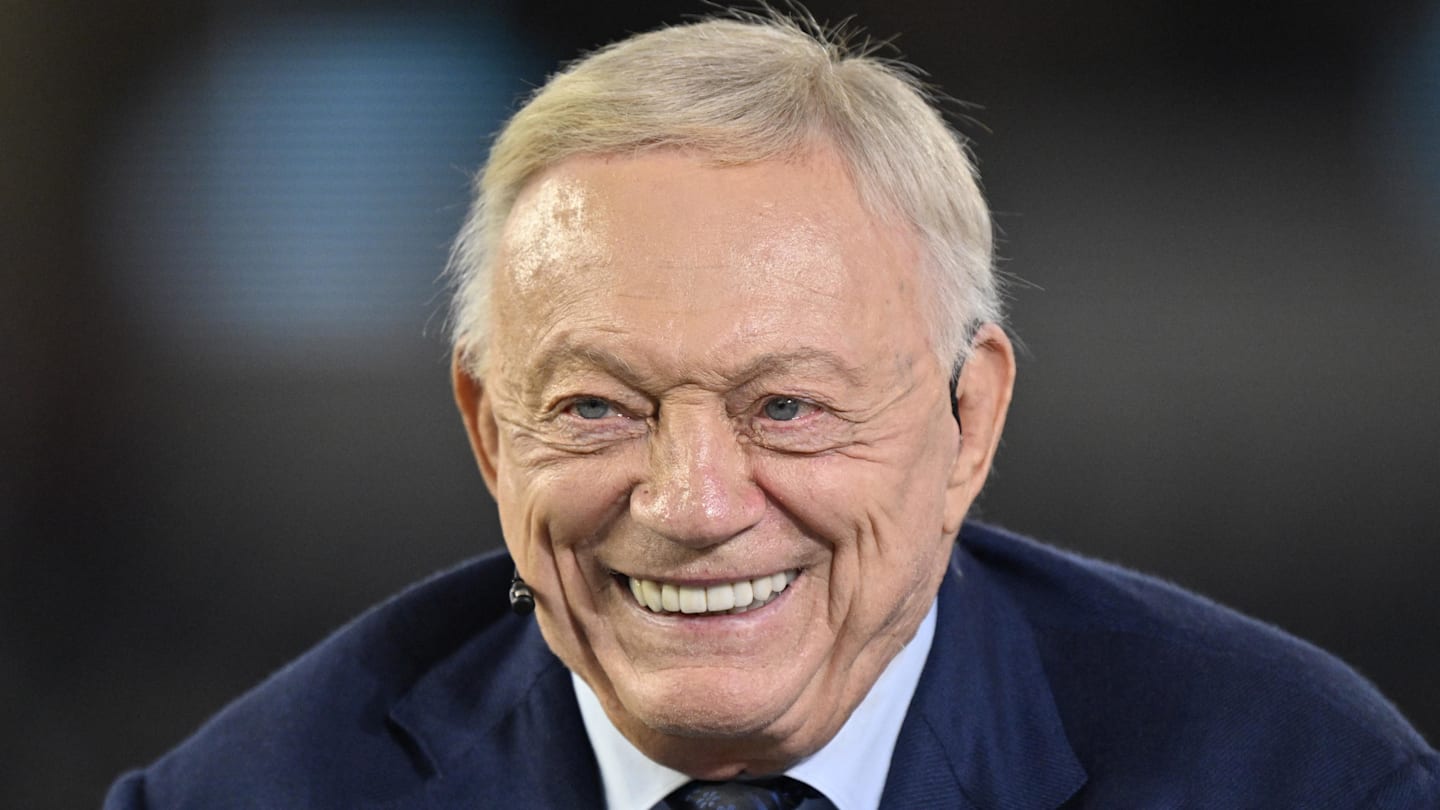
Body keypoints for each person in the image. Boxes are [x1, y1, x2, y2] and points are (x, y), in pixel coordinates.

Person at [105, 12, 1438, 809]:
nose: (692, 503)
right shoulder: (251, 794)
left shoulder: (1296, 776)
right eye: (597, 407)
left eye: (787, 405)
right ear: (486, 427)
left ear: (969, 420)